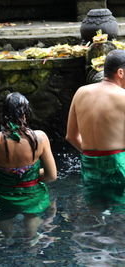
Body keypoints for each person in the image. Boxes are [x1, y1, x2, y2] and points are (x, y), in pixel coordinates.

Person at [0, 92, 57, 241]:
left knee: (5, 236)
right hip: (32, 196)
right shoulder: (40, 138)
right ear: (25, 113)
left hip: (4, 197)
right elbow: (51, 176)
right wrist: (31, 175)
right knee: (31, 235)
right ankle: (31, 246)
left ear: (3, 114)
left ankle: (7, 243)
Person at [66, 49, 125, 211]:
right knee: (120, 215)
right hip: (118, 166)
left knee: (97, 214)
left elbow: (71, 136)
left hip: (90, 164)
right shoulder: (123, 97)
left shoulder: (80, 92)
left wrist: (90, 154)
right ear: (120, 72)